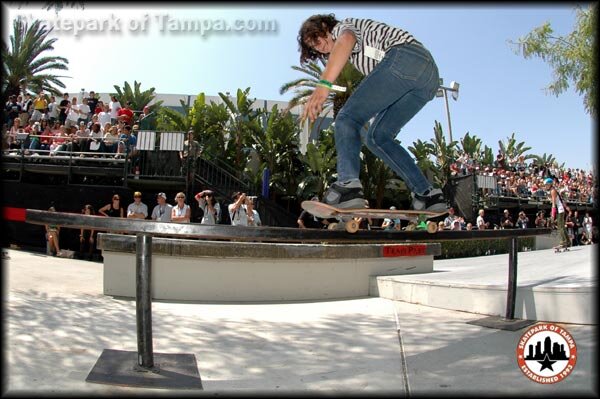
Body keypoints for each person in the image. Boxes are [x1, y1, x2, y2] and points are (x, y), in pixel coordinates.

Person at [298, 14, 446, 212]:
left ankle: (348, 185)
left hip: (405, 57)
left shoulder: (343, 27)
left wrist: (323, 85)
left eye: (316, 40)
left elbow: (347, 39)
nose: (319, 47)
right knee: (377, 137)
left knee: (347, 118)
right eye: (314, 48)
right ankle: (427, 194)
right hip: (427, 80)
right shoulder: (356, 55)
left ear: (325, 27)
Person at [545, 177, 570, 249]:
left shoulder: (552, 191)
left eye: (546, 185)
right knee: (561, 225)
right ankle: (567, 241)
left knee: (560, 226)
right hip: (561, 209)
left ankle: (563, 242)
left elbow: (553, 204)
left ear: (550, 184)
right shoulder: (553, 190)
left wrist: (552, 215)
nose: (545, 186)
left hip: (560, 210)